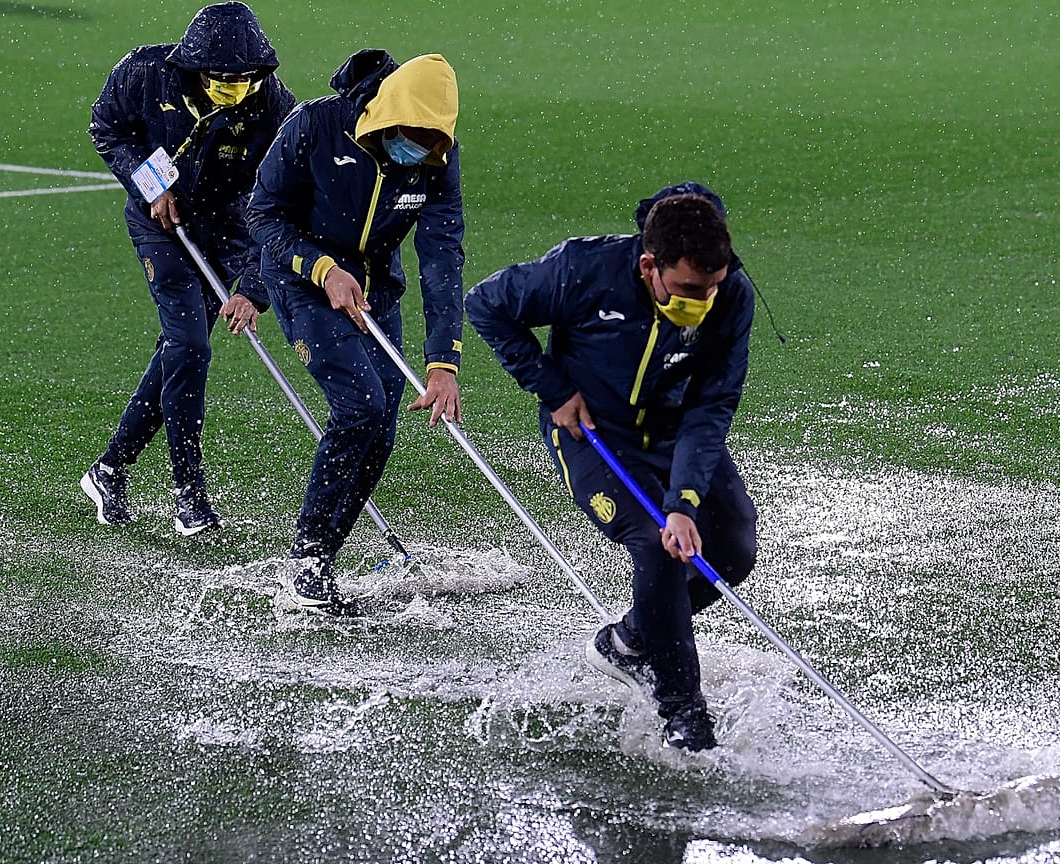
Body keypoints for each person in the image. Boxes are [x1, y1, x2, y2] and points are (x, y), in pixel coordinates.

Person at [465, 183, 758, 751]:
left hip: (676, 435)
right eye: (689, 289)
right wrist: (552, 390)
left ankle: (629, 640)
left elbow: (713, 404)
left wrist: (685, 501)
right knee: (656, 544)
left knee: (734, 545)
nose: (703, 300)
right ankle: (683, 713)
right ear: (650, 265)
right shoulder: (583, 269)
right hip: (595, 436)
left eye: (714, 287)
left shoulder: (733, 296)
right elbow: (487, 305)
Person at [247, 50, 464, 617]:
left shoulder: (437, 158)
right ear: (386, 111)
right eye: (411, 135)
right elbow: (264, 215)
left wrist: (444, 363)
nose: (417, 149)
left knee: (384, 424)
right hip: (302, 278)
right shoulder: (316, 124)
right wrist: (322, 269)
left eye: (431, 140)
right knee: (360, 404)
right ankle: (306, 560)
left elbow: (442, 257)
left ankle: (323, 555)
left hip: (375, 287)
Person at [82, 2, 296, 535]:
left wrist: (252, 290)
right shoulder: (147, 72)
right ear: (193, 66)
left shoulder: (272, 105)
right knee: (192, 345)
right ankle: (189, 492)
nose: (235, 88)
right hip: (162, 225)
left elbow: (284, 203)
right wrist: (150, 184)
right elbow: (107, 126)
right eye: (223, 79)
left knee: (179, 350)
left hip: (225, 230)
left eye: (245, 78)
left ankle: (108, 469)